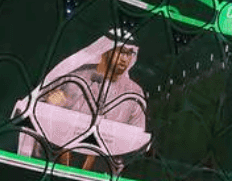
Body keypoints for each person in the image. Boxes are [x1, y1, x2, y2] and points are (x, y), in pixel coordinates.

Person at [12, 28, 150, 173]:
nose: (125, 58)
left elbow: (136, 137)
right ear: (106, 49)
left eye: (129, 53)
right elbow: (33, 108)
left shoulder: (134, 93)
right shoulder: (74, 77)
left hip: (101, 171)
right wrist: (49, 102)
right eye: (121, 51)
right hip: (55, 163)